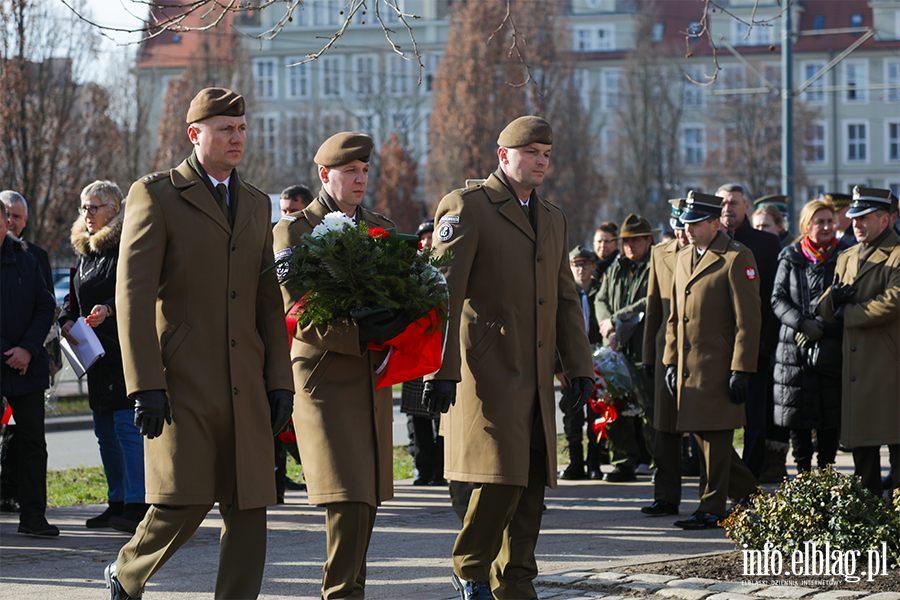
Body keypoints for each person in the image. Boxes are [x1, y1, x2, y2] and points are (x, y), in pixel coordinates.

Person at [104, 88, 294, 600]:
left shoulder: (256, 202)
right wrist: (145, 385)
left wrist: (280, 381)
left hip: (246, 379)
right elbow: (134, 295)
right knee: (183, 498)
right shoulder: (157, 194)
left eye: (242, 128)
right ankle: (127, 573)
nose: (237, 138)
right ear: (195, 134)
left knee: (250, 504)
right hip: (181, 378)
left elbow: (266, 300)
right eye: (225, 129)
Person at [421, 116, 594, 600]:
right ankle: (470, 566)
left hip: (536, 375)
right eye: (532, 152)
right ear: (504, 156)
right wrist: (441, 368)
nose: (541, 160)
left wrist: (579, 367)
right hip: (487, 372)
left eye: (546, 153)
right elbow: (444, 295)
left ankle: (516, 583)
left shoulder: (553, 217)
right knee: (498, 477)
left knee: (531, 483)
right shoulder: (467, 207)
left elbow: (565, 300)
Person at [273, 132, 406, 600]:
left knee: (367, 498)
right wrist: (359, 332)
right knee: (347, 495)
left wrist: (402, 317)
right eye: (351, 171)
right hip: (324, 379)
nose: (360, 179)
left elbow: (397, 293)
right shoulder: (293, 231)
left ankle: (349, 591)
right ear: (325, 175)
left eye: (366, 171)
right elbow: (296, 309)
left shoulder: (381, 228)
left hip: (371, 377)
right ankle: (342, 594)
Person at [664, 191, 760, 530]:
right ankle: (749, 491)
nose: (687, 230)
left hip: (719, 366)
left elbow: (748, 320)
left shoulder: (736, 257)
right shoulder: (683, 257)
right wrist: (671, 361)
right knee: (704, 439)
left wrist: (741, 369)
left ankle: (712, 507)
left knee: (716, 438)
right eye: (685, 223)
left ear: (714, 223)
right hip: (690, 368)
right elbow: (675, 317)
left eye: (695, 223)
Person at [58, 181, 146, 532]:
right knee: (104, 431)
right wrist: (66, 319)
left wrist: (109, 309)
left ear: (114, 209)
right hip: (92, 354)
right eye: (83, 208)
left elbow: (139, 290)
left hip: (123, 350)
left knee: (127, 429)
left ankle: (139, 505)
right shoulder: (84, 252)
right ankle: (117, 502)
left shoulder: (127, 245)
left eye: (94, 208)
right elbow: (73, 299)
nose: (87, 215)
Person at [817, 186, 900, 499]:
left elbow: (892, 301)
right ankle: (868, 511)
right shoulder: (848, 255)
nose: (856, 223)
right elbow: (826, 306)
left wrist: (846, 312)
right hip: (856, 365)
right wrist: (831, 301)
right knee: (863, 447)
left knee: (896, 442)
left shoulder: (897, 254)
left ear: (886, 220)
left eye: (865, 217)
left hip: (888, 363)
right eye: (854, 217)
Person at [771, 198, 842, 474]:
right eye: (819, 222)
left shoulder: (844, 254)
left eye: (829, 221)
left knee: (829, 418)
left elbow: (849, 298)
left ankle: (825, 476)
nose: (826, 227)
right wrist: (801, 324)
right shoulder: (791, 256)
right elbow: (777, 298)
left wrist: (822, 325)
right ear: (806, 225)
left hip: (830, 347)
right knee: (798, 420)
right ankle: (803, 476)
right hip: (793, 350)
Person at [0, 200, 57, 537]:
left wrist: (27, 349)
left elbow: (44, 303)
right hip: (9, 359)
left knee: (32, 442)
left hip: (26, 368)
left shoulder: (26, 257)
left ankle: (33, 516)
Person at [717, 183, 781, 480]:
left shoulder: (767, 244)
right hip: (716, 347)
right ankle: (721, 474)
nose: (727, 208)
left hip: (755, 346)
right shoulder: (709, 241)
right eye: (723, 202)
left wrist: (766, 341)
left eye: (733, 202)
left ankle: (750, 476)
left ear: (747, 207)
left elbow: (772, 296)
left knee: (754, 416)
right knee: (716, 417)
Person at [594, 214, 657, 483]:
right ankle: (623, 462)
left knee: (650, 411)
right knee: (615, 406)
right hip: (617, 350)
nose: (630, 246)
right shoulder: (616, 267)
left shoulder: (656, 264)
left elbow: (651, 299)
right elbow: (600, 299)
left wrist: (618, 317)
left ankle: (660, 464)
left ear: (648, 240)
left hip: (645, 348)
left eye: (636, 241)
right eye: (626, 241)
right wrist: (607, 326)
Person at [640, 199, 688, 517]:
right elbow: (653, 307)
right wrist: (647, 356)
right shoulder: (660, 254)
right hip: (665, 350)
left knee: (706, 428)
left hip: (700, 352)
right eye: (678, 226)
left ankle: (740, 491)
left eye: (689, 225)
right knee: (664, 428)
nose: (683, 233)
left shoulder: (719, 254)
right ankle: (666, 496)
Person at [401, 219, 445, 486]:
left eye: (432, 237)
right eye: (424, 238)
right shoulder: (408, 270)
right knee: (417, 416)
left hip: (440, 349)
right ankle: (422, 469)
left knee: (442, 416)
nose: (428, 242)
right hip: (415, 349)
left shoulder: (448, 267)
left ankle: (440, 470)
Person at [558, 245, 600, 480]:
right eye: (576, 264)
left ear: (593, 266)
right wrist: (558, 367)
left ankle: (594, 462)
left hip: (596, 359)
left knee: (596, 413)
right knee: (572, 414)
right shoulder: (564, 291)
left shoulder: (600, 291)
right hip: (569, 362)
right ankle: (576, 463)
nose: (581, 269)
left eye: (585, 264)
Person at [592, 222, 619, 289]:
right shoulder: (587, 266)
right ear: (594, 243)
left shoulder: (620, 266)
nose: (603, 246)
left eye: (607, 242)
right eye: (599, 241)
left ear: (616, 245)